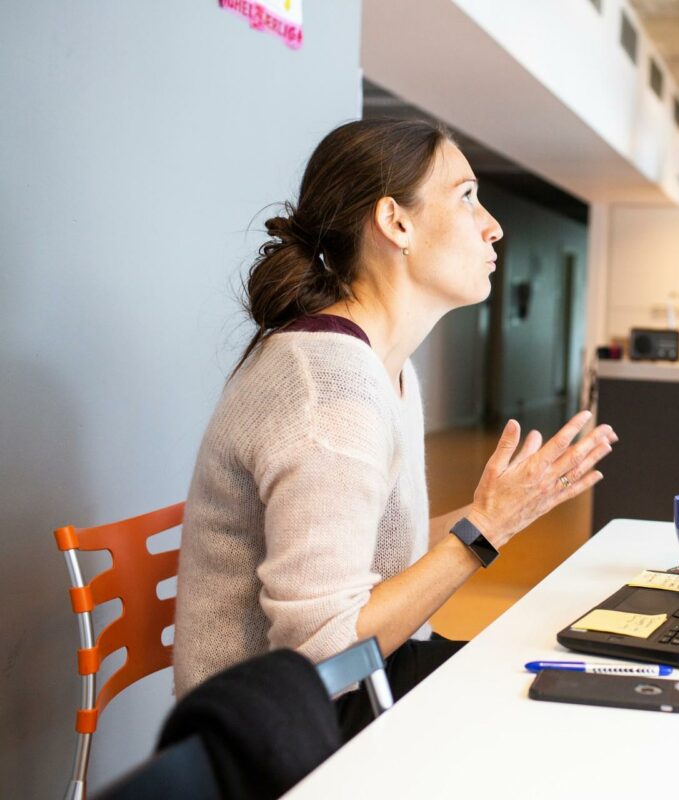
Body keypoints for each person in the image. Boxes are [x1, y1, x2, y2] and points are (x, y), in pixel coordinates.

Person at [174, 119, 618, 737]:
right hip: (280, 730)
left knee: (584, 688)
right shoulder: (331, 396)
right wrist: (485, 529)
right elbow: (325, 654)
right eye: (466, 197)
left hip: (366, 679)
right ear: (395, 222)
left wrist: (508, 510)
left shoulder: (384, 366)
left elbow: (386, 553)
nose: (493, 225)